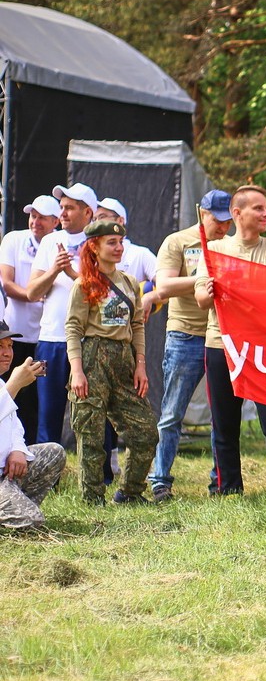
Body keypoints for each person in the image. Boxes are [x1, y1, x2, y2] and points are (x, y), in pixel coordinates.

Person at [195, 185, 266, 501]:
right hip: (220, 345)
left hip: (265, 346)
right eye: (258, 208)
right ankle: (228, 488)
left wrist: (235, 290)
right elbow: (202, 297)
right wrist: (212, 292)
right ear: (237, 213)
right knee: (224, 424)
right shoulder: (214, 251)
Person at [146, 190, 233, 501]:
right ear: (201, 213)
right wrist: (203, 279)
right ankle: (160, 481)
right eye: (218, 220)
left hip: (221, 338)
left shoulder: (232, 246)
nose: (223, 227)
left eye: (228, 221)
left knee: (221, 415)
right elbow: (164, 286)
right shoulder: (178, 242)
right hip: (184, 335)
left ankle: (220, 482)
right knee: (171, 413)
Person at [64, 220, 159, 505]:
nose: (119, 248)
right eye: (111, 243)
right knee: (90, 434)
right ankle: (92, 498)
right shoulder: (83, 284)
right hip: (93, 357)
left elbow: (138, 325)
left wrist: (140, 364)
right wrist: (77, 371)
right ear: (94, 246)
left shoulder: (130, 282)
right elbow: (73, 328)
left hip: (124, 359)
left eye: (120, 243)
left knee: (145, 431)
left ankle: (130, 492)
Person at [26, 183, 97, 444]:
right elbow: (32, 292)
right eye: (61, 207)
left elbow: (105, 293)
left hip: (90, 341)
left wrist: (72, 275)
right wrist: (54, 270)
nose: (63, 213)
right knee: (48, 416)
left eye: (69, 208)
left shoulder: (100, 241)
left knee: (93, 416)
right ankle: (48, 482)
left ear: (88, 213)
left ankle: (100, 479)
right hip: (51, 341)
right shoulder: (50, 242)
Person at [0, 194, 60, 438]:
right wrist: (34, 294)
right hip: (12, 338)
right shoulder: (13, 239)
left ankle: (29, 451)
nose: (36, 221)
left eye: (43, 218)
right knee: (8, 391)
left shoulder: (61, 244)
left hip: (43, 339)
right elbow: (7, 283)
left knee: (37, 399)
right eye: (33, 216)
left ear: (56, 221)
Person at [0, 321, 65, 529]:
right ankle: (14, 510)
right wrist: (15, 384)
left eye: (10, 346)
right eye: (0, 346)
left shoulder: (2, 383)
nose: (7, 353)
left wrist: (18, 450)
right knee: (33, 521)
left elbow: (14, 426)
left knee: (55, 452)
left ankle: (13, 504)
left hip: (6, 474)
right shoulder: (7, 385)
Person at [95, 199, 158, 286]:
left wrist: (150, 296)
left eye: (102, 217)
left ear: (120, 221)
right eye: (94, 219)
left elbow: (164, 284)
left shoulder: (140, 254)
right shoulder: (92, 254)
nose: (97, 222)